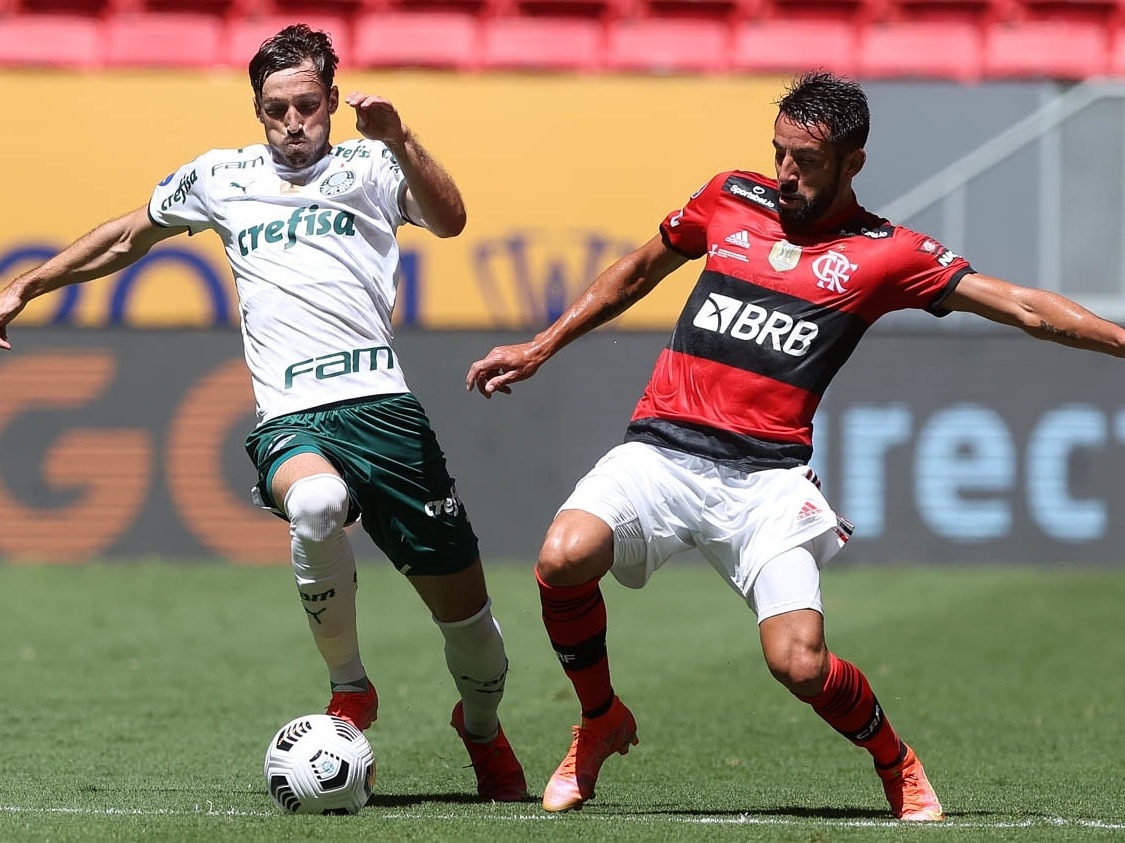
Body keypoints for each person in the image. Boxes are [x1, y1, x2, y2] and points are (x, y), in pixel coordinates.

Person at [466, 69, 1125, 820]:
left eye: (805, 160)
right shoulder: (727, 198)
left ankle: (894, 759)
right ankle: (599, 720)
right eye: (778, 151)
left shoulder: (885, 252)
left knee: (799, 663)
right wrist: (541, 344)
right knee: (560, 556)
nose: (785, 171)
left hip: (765, 484)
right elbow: (639, 270)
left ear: (853, 162)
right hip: (661, 451)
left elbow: (1020, 305)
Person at [0, 24, 527, 802]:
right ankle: (350, 684)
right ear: (257, 109)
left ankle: (480, 727)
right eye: (275, 108)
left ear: (332, 103)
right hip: (292, 415)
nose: (292, 123)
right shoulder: (220, 176)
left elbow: (449, 220)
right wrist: (27, 285)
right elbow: (126, 236)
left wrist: (404, 137)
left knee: (473, 634)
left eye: (307, 106)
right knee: (313, 503)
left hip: (383, 412)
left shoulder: (372, 164)